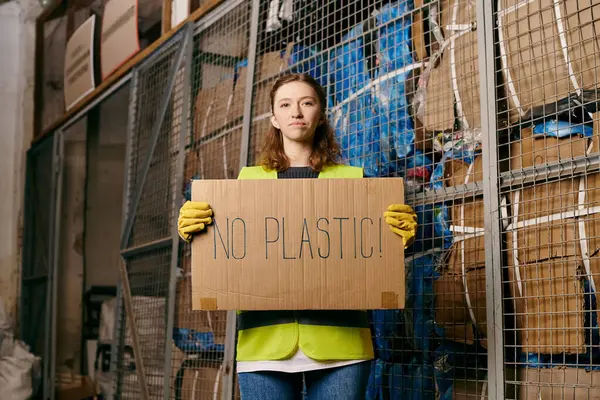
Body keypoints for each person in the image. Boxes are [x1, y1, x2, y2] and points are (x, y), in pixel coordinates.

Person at [177, 73, 417, 399]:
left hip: (341, 345)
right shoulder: (244, 185)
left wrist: (397, 239)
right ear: (274, 118)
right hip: (263, 344)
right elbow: (226, 253)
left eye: (307, 103)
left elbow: (371, 258)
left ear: (321, 115)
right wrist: (197, 232)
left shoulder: (356, 183)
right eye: (286, 104)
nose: (297, 112)